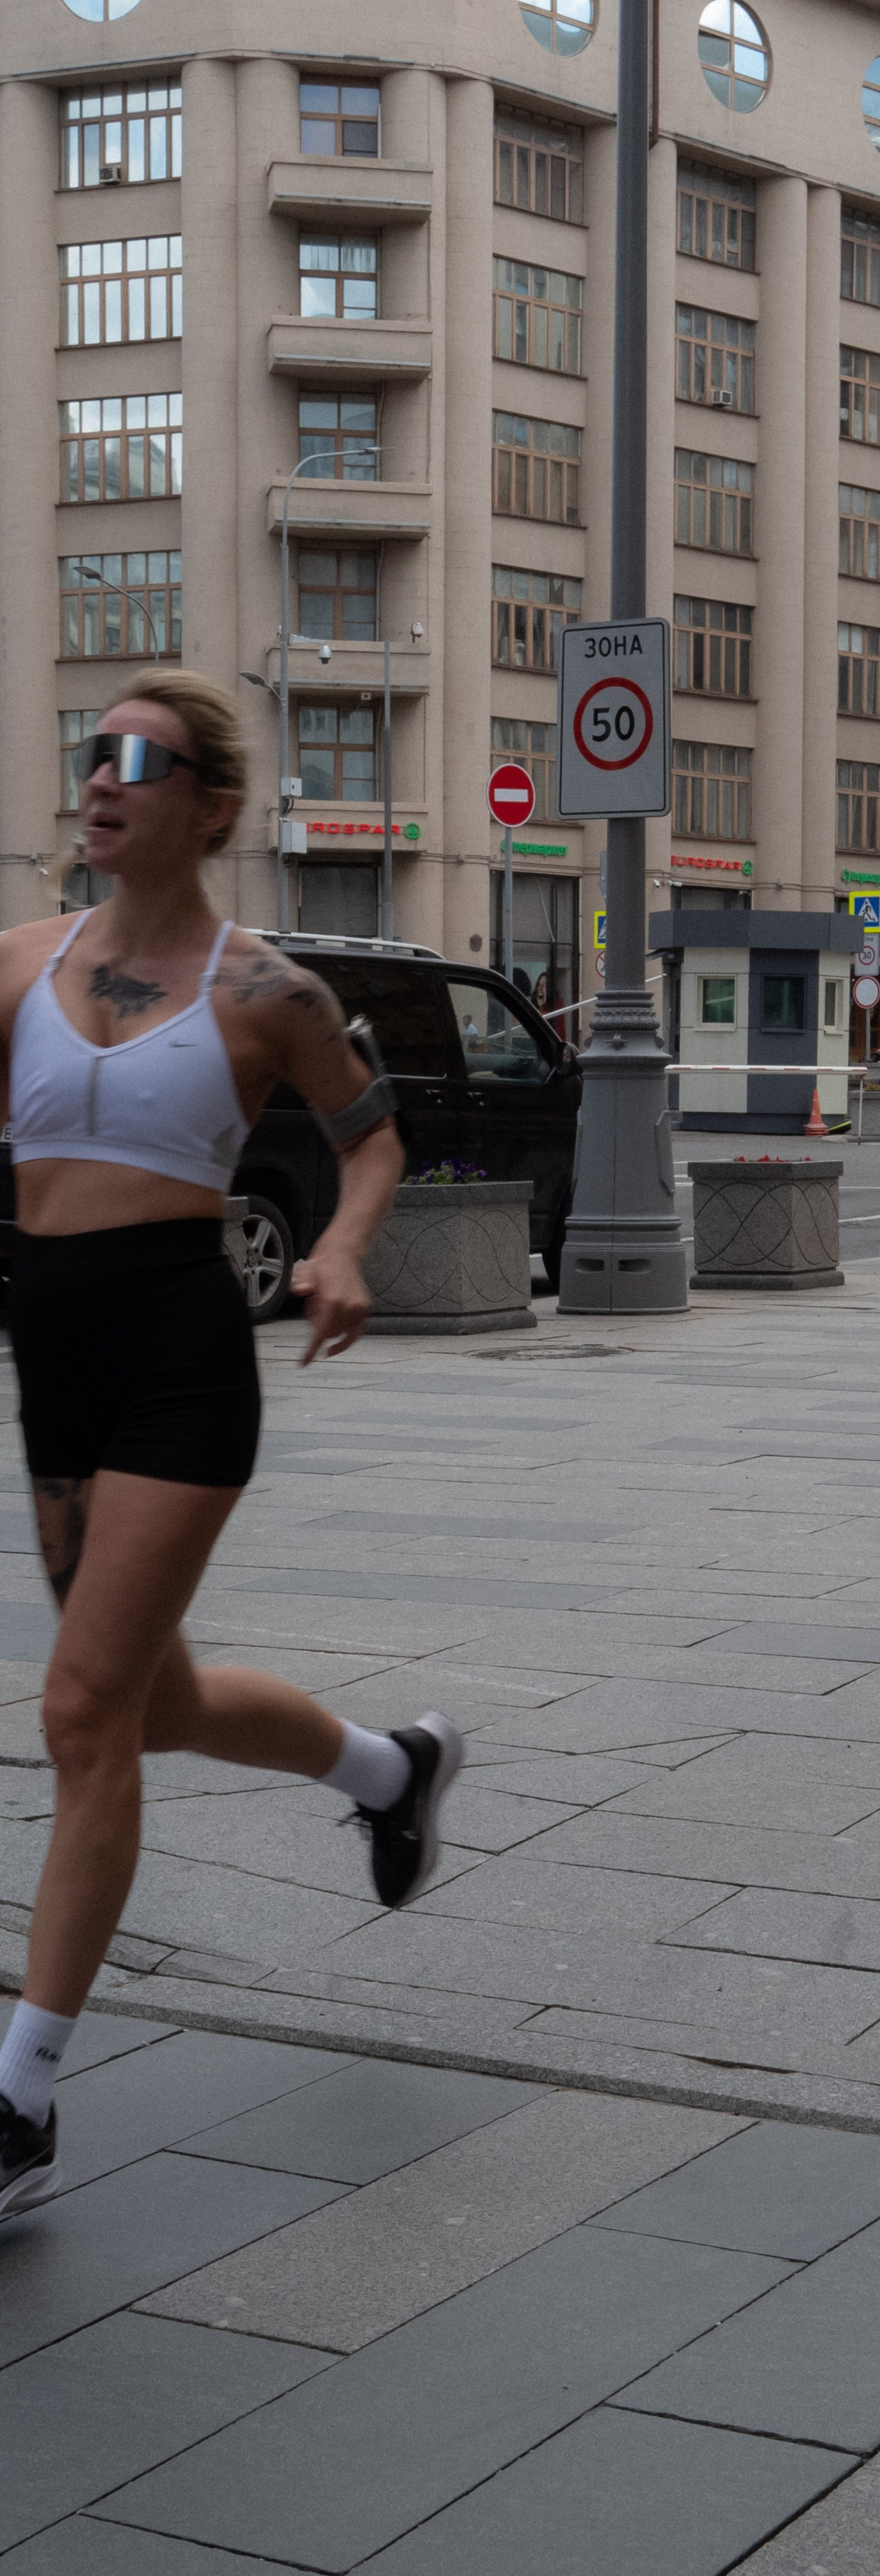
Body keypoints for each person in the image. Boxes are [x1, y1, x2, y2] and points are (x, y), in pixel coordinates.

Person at [0, 671, 461, 2223]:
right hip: (54, 1354)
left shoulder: (266, 990)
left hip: (183, 1363)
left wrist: (342, 1247)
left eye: (142, 761)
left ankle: (24, 2093)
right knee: (159, 1694)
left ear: (212, 804)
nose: (104, 780)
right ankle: (391, 1770)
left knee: (84, 1714)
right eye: (93, 754)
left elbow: (374, 1134)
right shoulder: (14, 967)